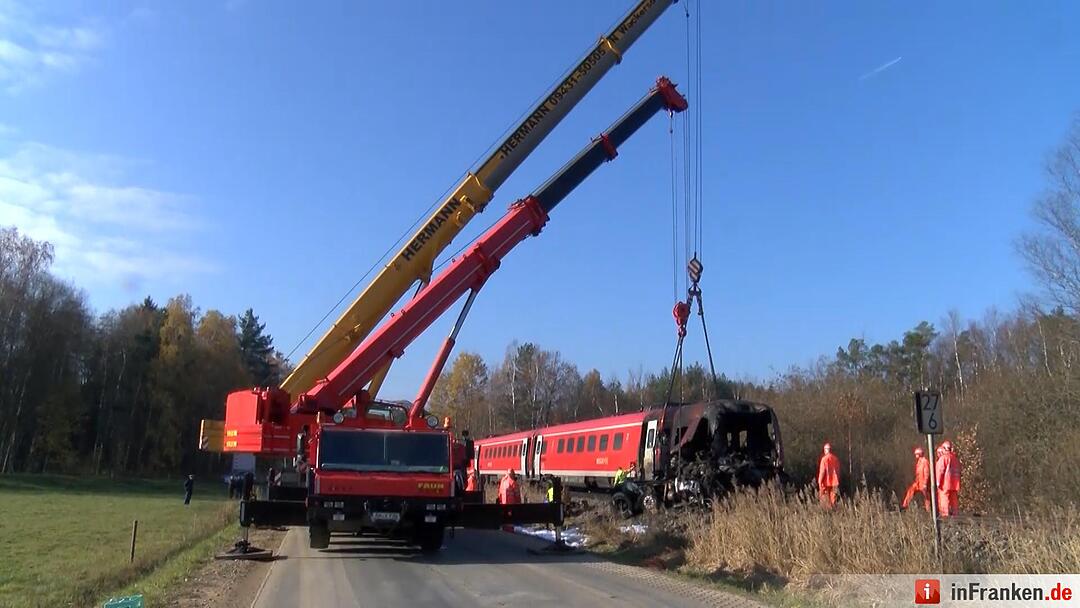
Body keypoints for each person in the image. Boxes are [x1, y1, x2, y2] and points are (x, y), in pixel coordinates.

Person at [935, 440, 962, 517]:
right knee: (954, 499)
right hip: (955, 484)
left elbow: (940, 471)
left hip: (945, 484)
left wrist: (938, 482)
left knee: (944, 498)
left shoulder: (943, 458)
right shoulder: (955, 459)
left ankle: (945, 515)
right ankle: (955, 514)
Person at [901, 447, 931, 511]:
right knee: (911, 490)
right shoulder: (919, 462)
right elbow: (918, 474)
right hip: (918, 482)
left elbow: (926, 473)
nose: (915, 455)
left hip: (923, 483)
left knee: (927, 498)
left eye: (916, 454)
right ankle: (904, 506)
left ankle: (929, 511)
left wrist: (925, 484)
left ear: (920, 454)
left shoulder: (925, 462)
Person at [816, 442, 840, 508]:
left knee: (825, 502)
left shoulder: (824, 459)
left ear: (825, 450)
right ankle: (834, 514)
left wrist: (819, 482)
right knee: (833, 501)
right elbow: (838, 471)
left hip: (825, 483)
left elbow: (822, 472)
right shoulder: (836, 459)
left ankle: (827, 515)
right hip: (835, 483)